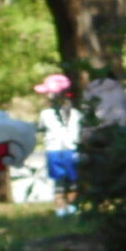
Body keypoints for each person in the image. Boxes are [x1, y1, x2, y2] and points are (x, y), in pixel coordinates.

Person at [35, 74, 81, 214]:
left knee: (58, 182)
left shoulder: (45, 114)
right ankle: (72, 207)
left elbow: (41, 129)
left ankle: (61, 208)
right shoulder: (76, 113)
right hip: (72, 149)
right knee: (73, 181)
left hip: (54, 150)